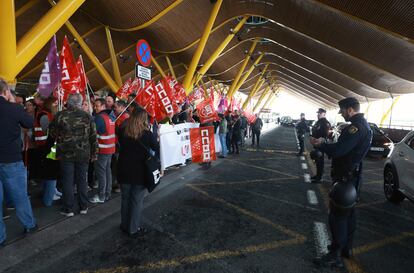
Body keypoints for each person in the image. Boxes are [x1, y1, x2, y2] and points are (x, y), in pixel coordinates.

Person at [310, 97, 372, 268]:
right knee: (349, 215)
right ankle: (346, 249)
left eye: (343, 111)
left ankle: (335, 255)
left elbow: (339, 150)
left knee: (337, 217)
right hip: (353, 177)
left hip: (346, 179)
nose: (342, 114)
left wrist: (319, 144)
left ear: (350, 109)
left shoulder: (355, 128)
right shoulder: (363, 125)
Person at [0, 78, 37, 246]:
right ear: (6, 92)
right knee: (20, 196)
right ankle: (29, 225)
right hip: (11, 160)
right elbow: (29, 122)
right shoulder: (13, 108)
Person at [49, 93, 98, 216]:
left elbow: (52, 133)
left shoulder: (60, 116)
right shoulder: (88, 116)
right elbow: (93, 137)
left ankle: (68, 208)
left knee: (67, 181)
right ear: (80, 103)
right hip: (83, 154)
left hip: (66, 154)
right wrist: (94, 153)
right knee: (82, 180)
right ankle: (83, 207)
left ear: (68, 102)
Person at [117, 108, 159, 237]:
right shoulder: (147, 134)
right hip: (140, 171)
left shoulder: (122, 131)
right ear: (144, 119)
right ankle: (133, 228)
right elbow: (157, 149)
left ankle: (124, 224)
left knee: (125, 199)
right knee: (136, 201)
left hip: (123, 169)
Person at [32, 97, 60, 206]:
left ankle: (51, 192)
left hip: (47, 147)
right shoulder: (44, 115)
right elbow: (49, 132)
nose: (57, 105)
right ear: (51, 104)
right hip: (45, 147)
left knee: (49, 172)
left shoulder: (46, 114)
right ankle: (49, 197)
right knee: (50, 173)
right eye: (55, 103)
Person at [90, 98, 116, 203]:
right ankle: (107, 193)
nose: (95, 107)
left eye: (97, 105)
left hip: (102, 150)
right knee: (107, 172)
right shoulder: (110, 117)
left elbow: (92, 134)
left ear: (103, 106)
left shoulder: (99, 118)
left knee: (101, 174)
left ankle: (101, 196)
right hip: (110, 149)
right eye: (94, 105)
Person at [310, 108, 331, 183]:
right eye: (318, 113)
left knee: (320, 161)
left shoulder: (325, 123)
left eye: (320, 113)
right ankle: (317, 175)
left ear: (324, 114)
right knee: (317, 161)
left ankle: (319, 178)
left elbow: (326, 135)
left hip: (321, 145)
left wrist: (319, 140)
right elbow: (314, 131)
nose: (318, 114)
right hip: (316, 144)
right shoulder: (318, 122)